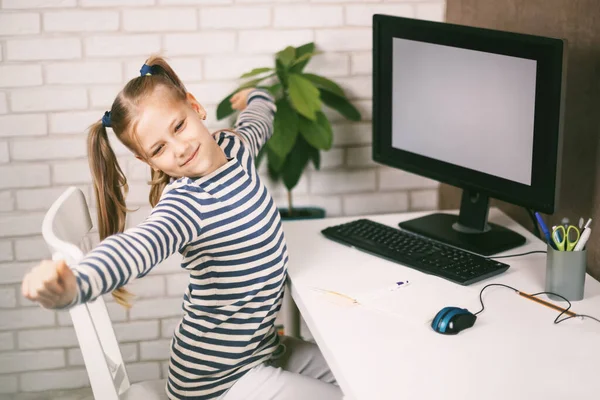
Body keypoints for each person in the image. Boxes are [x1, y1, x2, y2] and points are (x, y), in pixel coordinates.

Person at [21, 56, 342, 400]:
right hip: (217, 380)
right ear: (147, 161)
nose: (181, 148)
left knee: (355, 372)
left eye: (179, 126)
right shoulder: (187, 204)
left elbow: (258, 119)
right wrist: (76, 283)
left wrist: (256, 95)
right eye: (159, 148)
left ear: (195, 107)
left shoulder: (237, 147)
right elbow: (139, 246)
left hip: (260, 348)